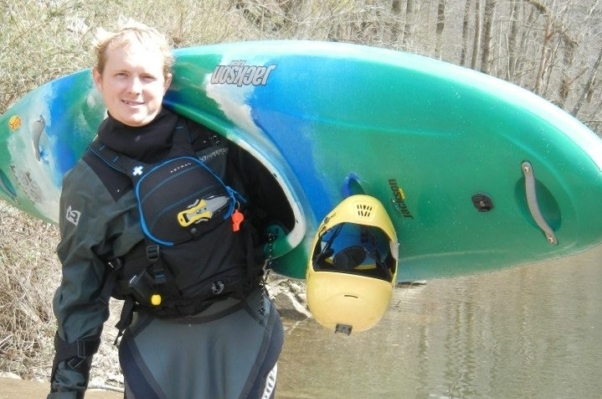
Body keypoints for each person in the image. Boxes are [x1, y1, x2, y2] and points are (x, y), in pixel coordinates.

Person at [47, 20, 286, 399]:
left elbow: (283, 209)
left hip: (244, 332)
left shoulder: (217, 139)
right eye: (121, 75)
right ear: (98, 79)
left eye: (147, 76)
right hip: (156, 347)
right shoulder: (87, 183)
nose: (135, 89)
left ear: (166, 81)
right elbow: (81, 294)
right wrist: (66, 391)